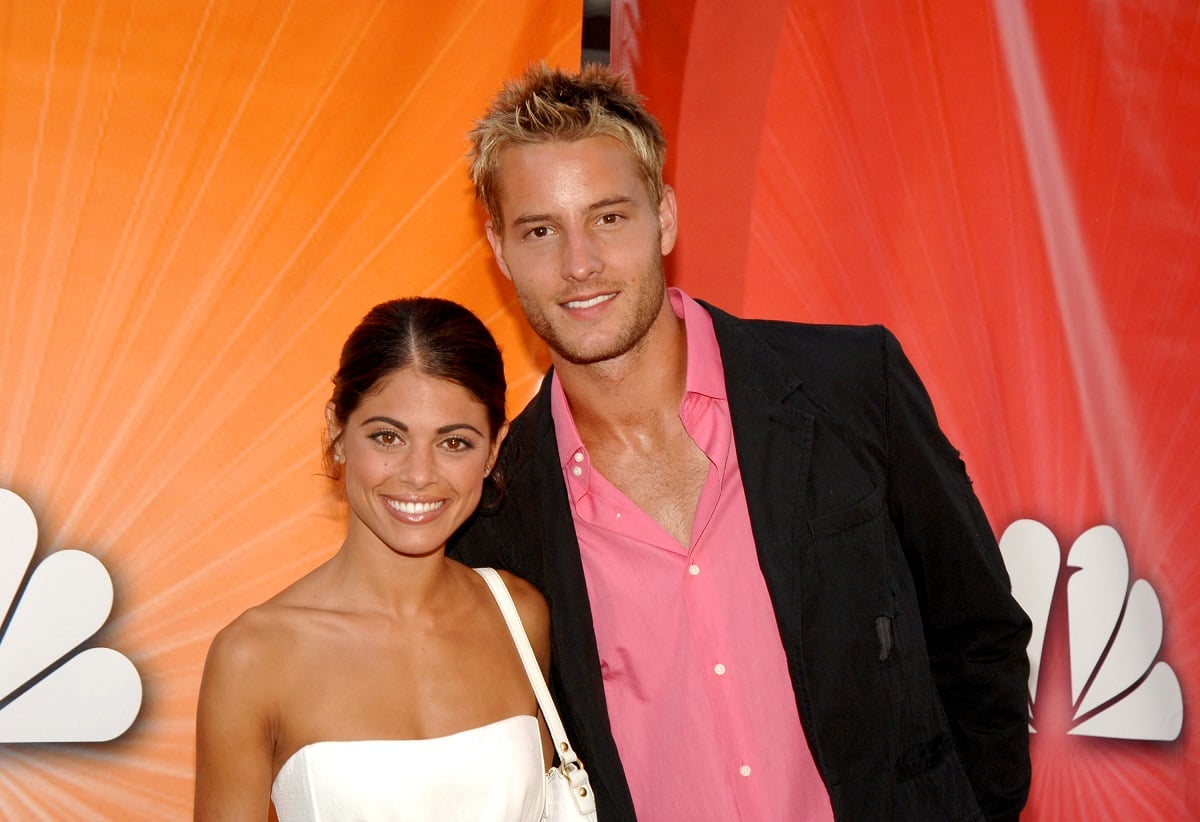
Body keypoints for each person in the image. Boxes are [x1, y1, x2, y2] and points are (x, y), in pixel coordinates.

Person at [450, 63, 1032, 821]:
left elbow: (978, 631)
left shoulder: (851, 385)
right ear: (499, 249)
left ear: (663, 216)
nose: (579, 264)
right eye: (539, 230)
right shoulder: (493, 516)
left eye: (609, 217)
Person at [194, 297, 557, 821]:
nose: (417, 474)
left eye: (454, 442)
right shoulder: (255, 655)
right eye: (388, 436)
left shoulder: (520, 617)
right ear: (338, 432)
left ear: (494, 450)